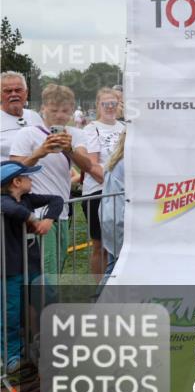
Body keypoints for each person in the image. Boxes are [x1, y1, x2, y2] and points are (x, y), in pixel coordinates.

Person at [2, 161, 62, 375]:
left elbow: (57, 200)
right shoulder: (5, 201)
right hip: (9, 271)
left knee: (48, 300)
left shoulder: (27, 199)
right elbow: (7, 207)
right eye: (27, 177)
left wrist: (48, 219)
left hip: (33, 267)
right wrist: (30, 217)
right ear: (16, 182)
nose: (32, 180)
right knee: (11, 314)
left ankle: (49, 347)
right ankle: (12, 358)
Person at [9, 84, 100, 223]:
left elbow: (88, 166)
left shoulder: (76, 134)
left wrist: (69, 150)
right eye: (54, 110)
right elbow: (13, 170)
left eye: (64, 111)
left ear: (71, 111)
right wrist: (39, 153)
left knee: (60, 245)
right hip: (34, 212)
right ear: (43, 108)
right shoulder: (27, 133)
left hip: (61, 210)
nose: (59, 115)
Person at [81, 88, 125, 275]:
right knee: (100, 246)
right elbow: (92, 165)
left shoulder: (125, 127)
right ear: (98, 105)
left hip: (122, 193)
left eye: (113, 103)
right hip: (98, 192)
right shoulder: (91, 129)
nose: (109, 107)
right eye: (105, 103)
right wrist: (111, 183)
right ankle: (99, 293)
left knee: (121, 245)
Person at [100, 132, 126, 279]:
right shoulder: (126, 162)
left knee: (113, 265)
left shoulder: (115, 159)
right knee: (115, 268)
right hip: (120, 217)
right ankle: (100, 300)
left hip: (110, 215)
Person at [1, 71, 44, 162]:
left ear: (26, 92)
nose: (13, 94)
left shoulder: (34, 116)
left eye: (18, 90)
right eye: (8, 91)